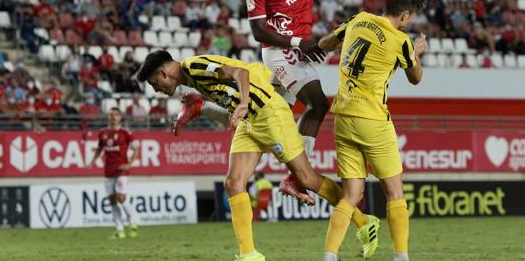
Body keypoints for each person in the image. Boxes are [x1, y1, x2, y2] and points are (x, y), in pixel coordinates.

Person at [134, 51, 376, 261]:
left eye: (154, 84)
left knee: (306, 179)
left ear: (161, 74)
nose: (157, 89)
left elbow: (240, 73)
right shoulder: (191, 78)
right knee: (233, 183)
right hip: (250, 122)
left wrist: (242, 103)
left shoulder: (194, 66)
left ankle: (364, 222)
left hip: (269, 115)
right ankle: (249, 254)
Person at [173, 0, 330, 207]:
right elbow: (258, 32)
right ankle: (297, 176)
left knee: (261, 113)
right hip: (281, 52)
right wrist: (300, 44)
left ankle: (202, 107)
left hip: (293, 47)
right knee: (318, 104)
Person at [317, 0, 429, 261]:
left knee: (352, 193)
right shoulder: (400, 39)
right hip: (373, 119)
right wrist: (416, 52)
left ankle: (330, 256)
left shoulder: (360, 18)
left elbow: (324, 44)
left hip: (342, 116)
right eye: (411, 17)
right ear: (404, 16)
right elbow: (416, 78)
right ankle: (401, 256)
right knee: (394, 191)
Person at [87, 108, 140, 239]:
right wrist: (93, 160)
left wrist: (129, 164)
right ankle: (119, 230)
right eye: (111, 115)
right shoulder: (102, 133)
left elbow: (136, 149)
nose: (113, 117)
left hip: (122, 170)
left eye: (116, 115)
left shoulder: (126, 133)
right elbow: (99, 149)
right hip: (108, 171)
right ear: (108, 117)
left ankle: (133, 222)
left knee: (121, 197)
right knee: (112, 201)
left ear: (120, 117)